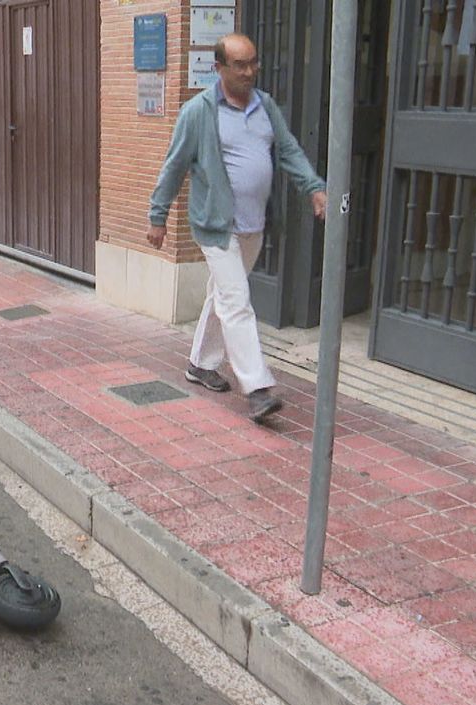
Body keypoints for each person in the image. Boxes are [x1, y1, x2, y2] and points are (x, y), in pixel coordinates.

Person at [147, 33, 327, 423]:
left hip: (253, 225)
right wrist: (157, 216)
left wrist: (314, 187)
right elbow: (174, 165)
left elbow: (290, 150)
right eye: (240, 65)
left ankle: (200, 364)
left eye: (253, 63)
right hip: (215, 225)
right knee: (237, 301)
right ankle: (258, 389)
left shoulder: (266, 107)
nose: (250, 71)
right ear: (220, 69)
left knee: (223, 297)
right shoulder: (199, 112)